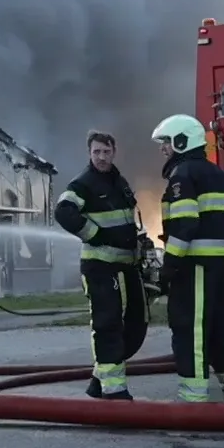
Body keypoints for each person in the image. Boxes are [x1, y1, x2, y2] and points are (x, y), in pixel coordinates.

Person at [151, 113, 224, 403]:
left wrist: (170, 264)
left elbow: (186, 224)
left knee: (190, 327)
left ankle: (193, 395)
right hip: (219, 265)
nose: (163, 149)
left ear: (182, 141)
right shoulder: (217, 173)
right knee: (221, 326)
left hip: (194, 266)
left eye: (167, 143)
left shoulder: (183, 175)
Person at [54, 130, 148, 400]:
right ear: (89, 153)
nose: (102, 157)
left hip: (125, 265)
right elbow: (64, 212)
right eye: (96, 152)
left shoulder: (119, 181)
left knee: (134, 323)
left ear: (114, 152)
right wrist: (95, 235)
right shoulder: (83, 183)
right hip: (100, 267)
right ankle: (113, 389)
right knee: (107, 324)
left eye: (106, 152)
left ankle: (98, 380)